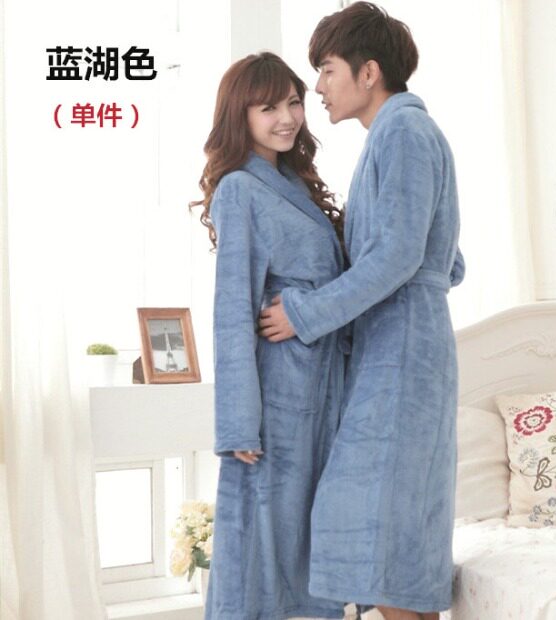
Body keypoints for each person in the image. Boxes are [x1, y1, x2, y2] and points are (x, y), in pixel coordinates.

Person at [258, 3, 465, 619]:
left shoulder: (403, 133)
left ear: (368, 72)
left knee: (378, 539)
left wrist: (306, 313)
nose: (317, 87)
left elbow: (400, 254)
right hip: (400, 347)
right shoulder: (397, 137)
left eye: (326, 69)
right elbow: (447, 260)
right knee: (392, 545)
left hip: (401, 356)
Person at [194, 52, 348, 619]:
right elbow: (232, 306)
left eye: (293, 102)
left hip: (323, 381)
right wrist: (238, 420)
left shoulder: (295, 184)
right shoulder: (240, 189)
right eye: (268, 108)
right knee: (265, 536)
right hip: (277, 388)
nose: (287, 118)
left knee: (308, 537)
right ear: (241, 114)